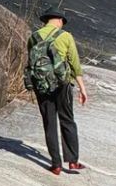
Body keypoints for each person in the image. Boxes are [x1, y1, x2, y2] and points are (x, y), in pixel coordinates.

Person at [29, 10, 87, 175]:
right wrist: (82, 88)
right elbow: (74, 63)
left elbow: (31, 62)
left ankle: (56, 164)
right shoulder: (65, 36)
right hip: (62, 84)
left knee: (49, 122)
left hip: (42, 84)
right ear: (60, 20)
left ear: (45, 21)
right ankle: (73, 162)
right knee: (67, 120)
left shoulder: (33, 37)